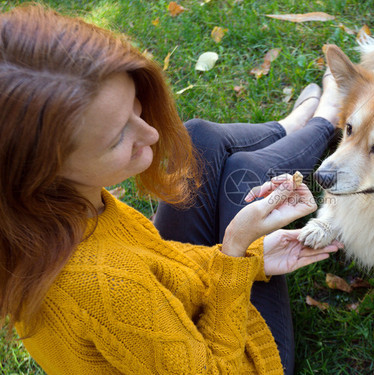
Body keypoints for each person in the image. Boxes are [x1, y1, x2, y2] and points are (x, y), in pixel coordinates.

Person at [0, 4, 342, 375]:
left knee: (198, 138)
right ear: (39, 170)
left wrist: (255, 257)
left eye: (136, 107)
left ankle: (290, 126)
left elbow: (160, 266)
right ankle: (327, 120)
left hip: (175, 319)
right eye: (118, 138)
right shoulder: (105, 288)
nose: (151, 134)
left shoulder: (45, 209)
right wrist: (234, 253)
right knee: (246, 171)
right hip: (238, 362)